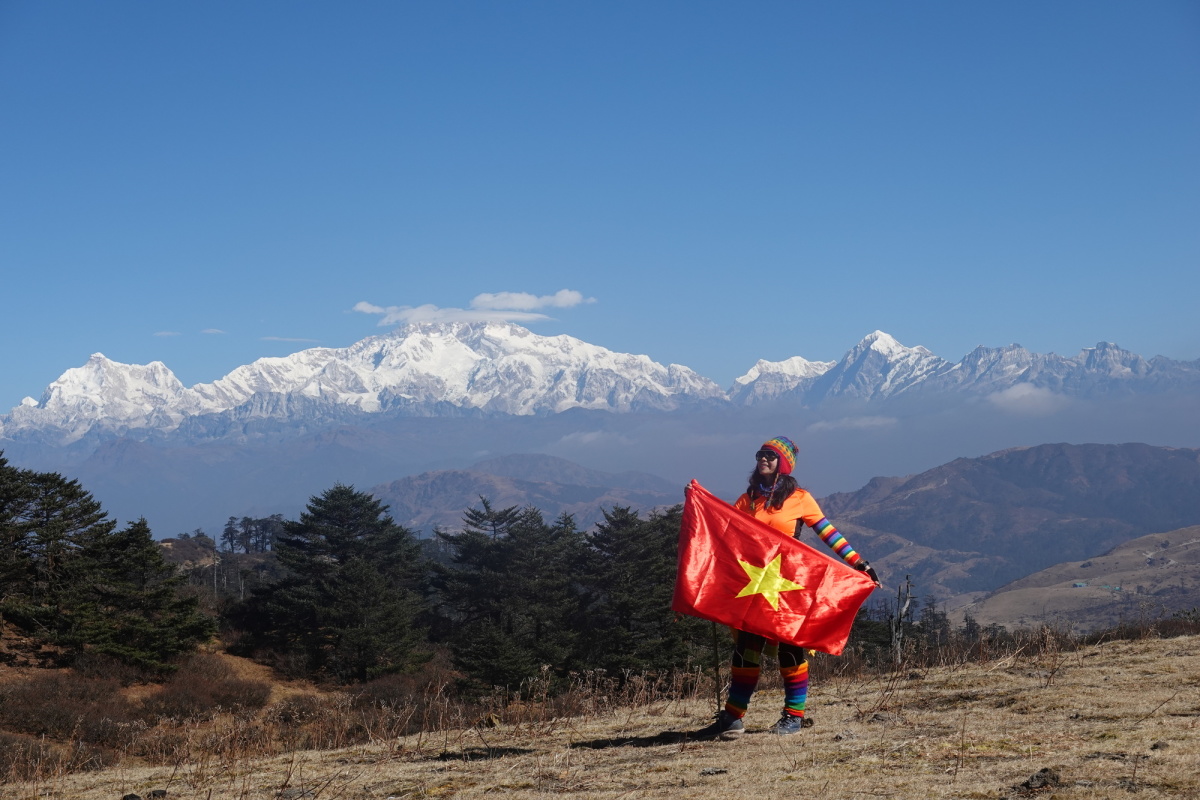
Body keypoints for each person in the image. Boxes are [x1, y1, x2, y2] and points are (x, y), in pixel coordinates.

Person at [697, 435, 879, 738]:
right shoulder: (748, 499)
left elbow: (828, 533)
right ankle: (732, 718)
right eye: (760, 455)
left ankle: (793, 716)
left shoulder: (800, 498)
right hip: (752, 584)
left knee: (790, 647)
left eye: (770, 455)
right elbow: (727, 532)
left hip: (788, 585)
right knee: (745, 649)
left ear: (783, 463)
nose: (763, 459)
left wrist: (860, 563)